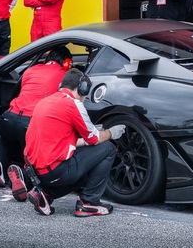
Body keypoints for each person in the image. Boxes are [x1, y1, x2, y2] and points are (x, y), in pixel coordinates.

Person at [23, 68, 126, 217]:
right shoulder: (73, 104)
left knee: (83, 166)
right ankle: (88, 203)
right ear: (82, 89)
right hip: (56, 170)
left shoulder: (45, 101)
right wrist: (111, 133)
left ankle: (45, 194)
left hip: (36, 171)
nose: (85, 98)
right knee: (108, 148)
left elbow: (61, 141)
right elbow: (94, 138)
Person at [0, 46, 73, 201]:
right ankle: (25, 177)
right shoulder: (65, 75)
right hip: (29, 122)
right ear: (66, 62)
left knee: (7, 139)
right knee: (32, 152)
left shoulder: (31, 69)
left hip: (9, 116)